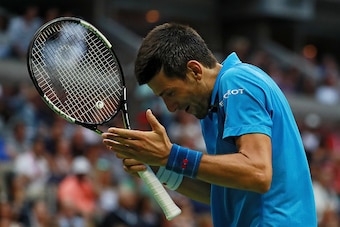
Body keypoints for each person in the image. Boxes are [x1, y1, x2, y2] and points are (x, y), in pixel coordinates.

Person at [102, 23, 317, 226]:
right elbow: (222, 192)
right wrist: (160, 167)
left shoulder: (236, 81)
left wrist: (171, 156)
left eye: (170, 93)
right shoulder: (211, 109)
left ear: (195, 71)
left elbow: (258, 173)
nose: (170, 107)